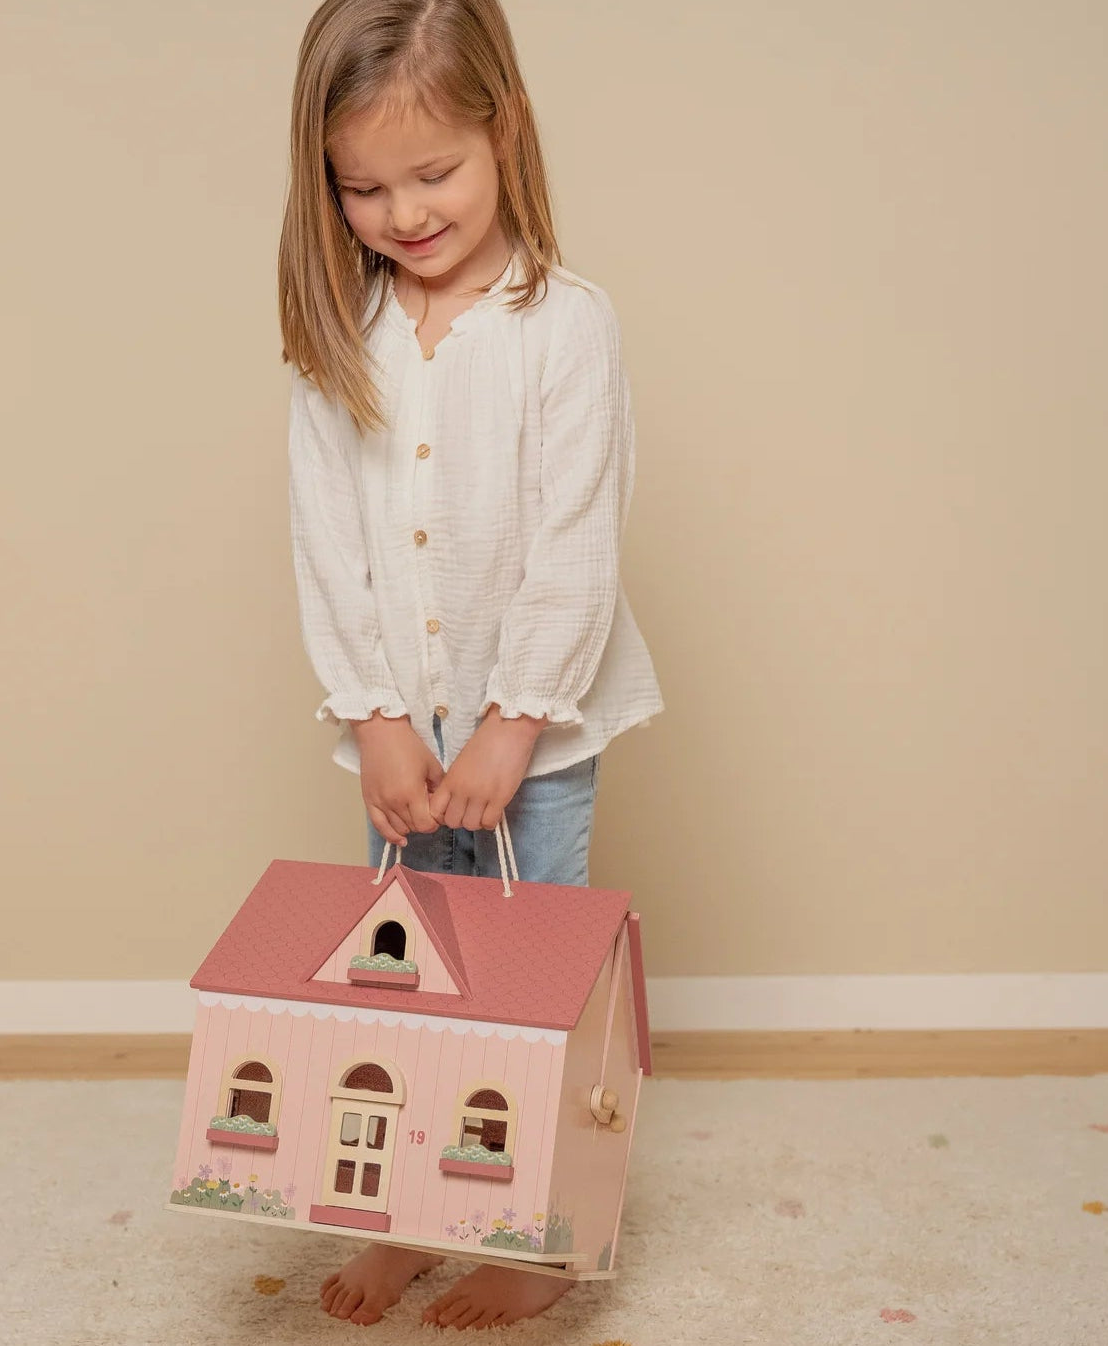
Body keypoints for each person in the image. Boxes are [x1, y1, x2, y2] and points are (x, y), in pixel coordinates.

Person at [277, 0, 663, 1330]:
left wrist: (514, 721)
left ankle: (532, 1232)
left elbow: (573, 542)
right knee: (405, 982)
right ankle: (402, 1215)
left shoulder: (564, 326)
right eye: (364, 186)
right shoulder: (344, 340)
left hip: (531, 735)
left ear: (503, 132)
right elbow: (329, 547)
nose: (401, 210)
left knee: (518, 993)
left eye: (431, 172)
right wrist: (375, 715)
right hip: (402, 740)